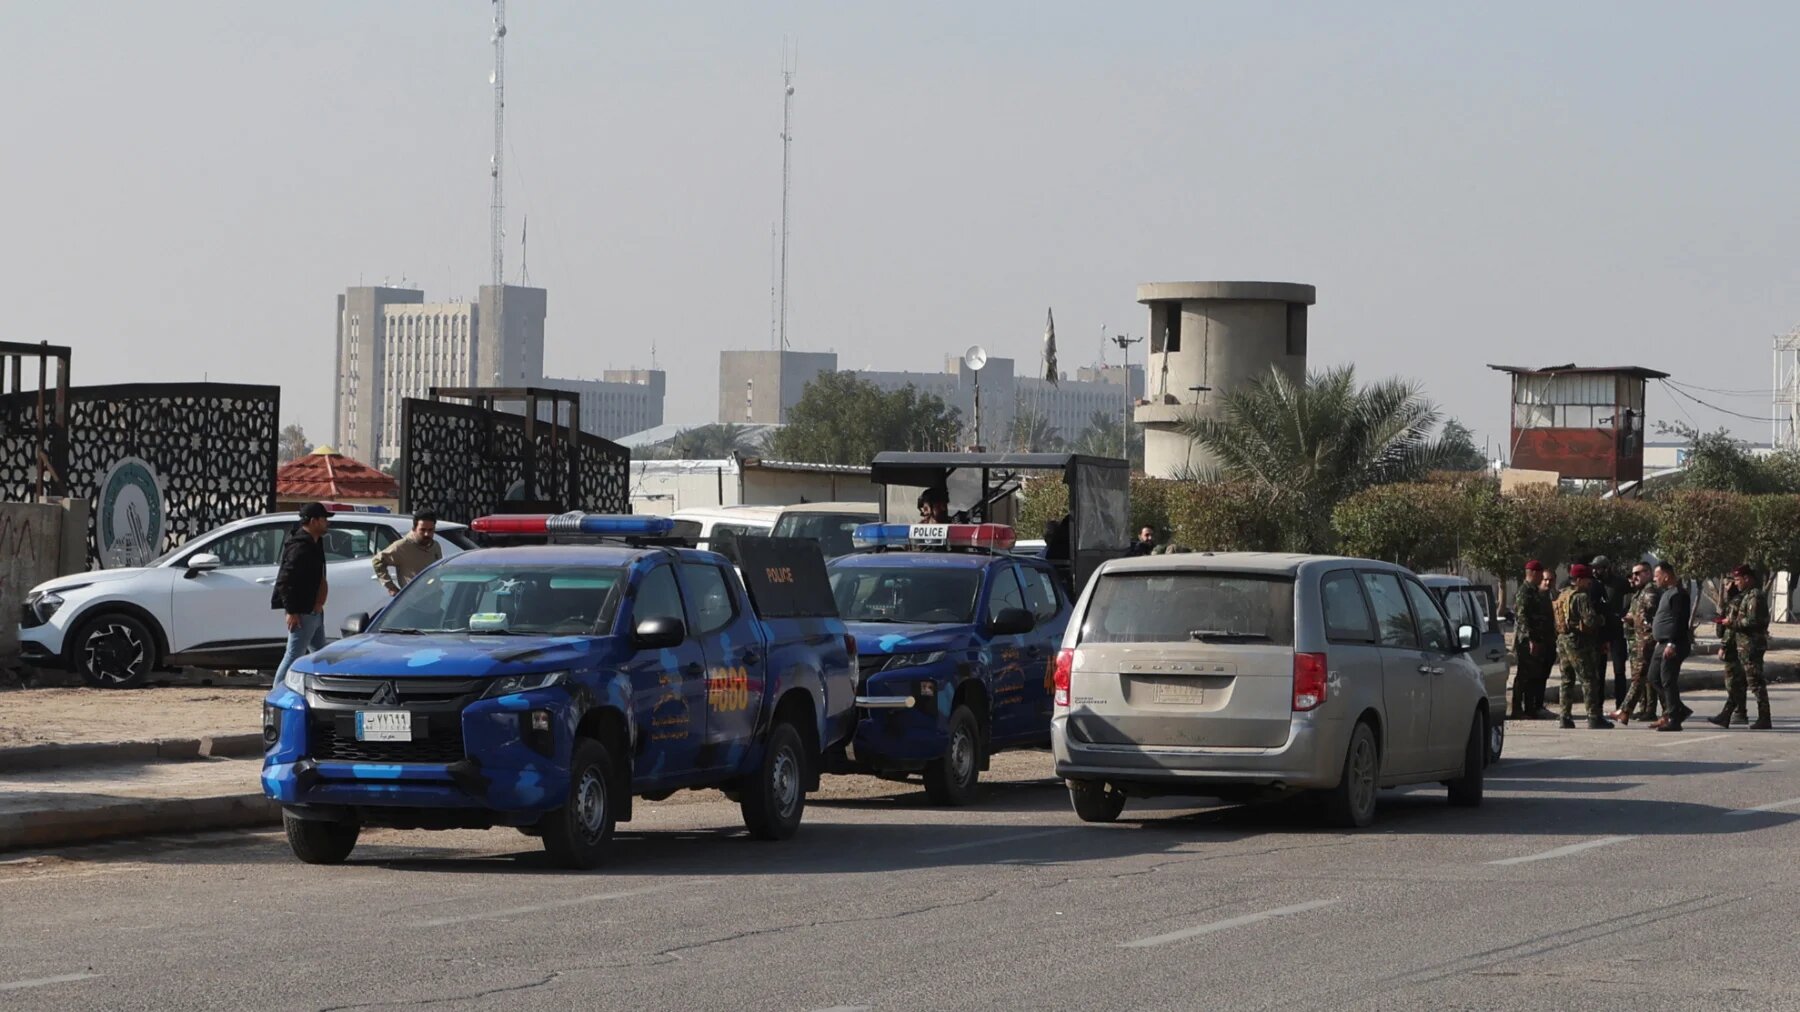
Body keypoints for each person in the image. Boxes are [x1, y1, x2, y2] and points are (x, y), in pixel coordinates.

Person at [272, 502, 330, 684]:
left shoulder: (315, 542)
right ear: (313, 521)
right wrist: (291, 611)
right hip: (303, 610)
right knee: (293, 655)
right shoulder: (300, 546)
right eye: (324, 519)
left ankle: (325, 689)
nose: (327, 523)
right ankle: (276, 692)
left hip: (315, 609)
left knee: (320, 654)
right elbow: (285, 580)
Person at [1711, 565, 1773, 730]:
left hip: (1752, 646)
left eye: (1738, 580)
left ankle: (1764, 717)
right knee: (1738, 682)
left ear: (1747, 578)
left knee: (1756, 682)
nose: (1736, 583)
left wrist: (1732, 623)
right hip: (1743, 646)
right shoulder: (1744, 596)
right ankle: (1726, 715)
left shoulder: (1755, 596)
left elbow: (1754, 621)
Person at [1554, 563, 1610, 729]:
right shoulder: (1581, 597)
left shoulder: (1563, 594)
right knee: (1589, 678)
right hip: (1578, 641)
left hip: (1563, 640)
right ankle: (1593, 717)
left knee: (1567, 679)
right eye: (1587, 579)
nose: (1589, 582)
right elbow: (1590, 620)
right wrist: (1602, 619)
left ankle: (1565, 716)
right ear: (1578, 579)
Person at [1612, 562, 1662, 725]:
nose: (1634, 577)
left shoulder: (1650, 592)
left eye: (1637, 573)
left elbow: (1653, 616)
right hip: (1640, 641)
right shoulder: (1640, 593)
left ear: (1647, 573)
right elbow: (1638, 614)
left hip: (1648, 641)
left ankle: (1626, 710)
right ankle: (1670, 711)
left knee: (1641, 678)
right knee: (1650, 678)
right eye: (1633, 574)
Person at [1648, 562, 1694, 732]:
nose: (1655, 579)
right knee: (1653, 677)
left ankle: (1674, 719)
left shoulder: (1679, 594)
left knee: (1668, 680)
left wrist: (1671, 643)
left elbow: (1679, 620)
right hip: (1662, 643)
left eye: (1657, 576)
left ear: (1666, 576)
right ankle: (1678, 709)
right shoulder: (1666, 593)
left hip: (1674, 643)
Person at [1512, 561, 1556, 719]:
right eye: (1540, 575)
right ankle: (1517, 709)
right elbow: (1522, 617)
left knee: (1534, 676)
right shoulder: (1524, 591)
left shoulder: (1535, 591)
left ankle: (1531, 708)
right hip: (1526, 642)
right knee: (1523, 677)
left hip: (1538, 640)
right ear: (1535, 573)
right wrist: (1530, 639)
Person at [1590, 556, 1631, 710]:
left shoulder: (1619, 583)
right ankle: (1598, 706)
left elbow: (1633, 596)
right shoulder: (1593, 584)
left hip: (1616, 631)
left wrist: (1624, 613)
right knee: (1598, 671)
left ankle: (1621, 706)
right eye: (1594, 568)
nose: (1595, 571)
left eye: (1598, 568)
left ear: (1606, 568)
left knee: (1619, 670)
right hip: (1599, 633)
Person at [373, 510, 442, 595]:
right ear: (414, 529)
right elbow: (377, 561)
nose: (427, 534)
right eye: (422, 530)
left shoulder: (435, 546)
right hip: (413, 599)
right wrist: (391, 587)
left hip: (434, 596)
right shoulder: (402, 546)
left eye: (430, 530)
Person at [1716, 580, 1748, 725]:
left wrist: (1724, 646)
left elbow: (1731, 628)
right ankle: (1738, 711)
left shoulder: (1736, 601)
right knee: (1738, 681)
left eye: (1729, 584)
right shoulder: (1732, 600)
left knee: (1733, 682)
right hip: (1738, 645)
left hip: (1734, 646)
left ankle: (1734, 712)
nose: (1726, 587)